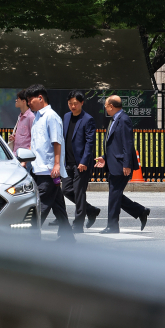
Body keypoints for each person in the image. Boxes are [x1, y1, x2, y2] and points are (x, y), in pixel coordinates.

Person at [25, 84, 74, 241]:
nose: (28, 103)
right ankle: (67, 236)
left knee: (42, 205)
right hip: (39, 168)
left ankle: (30, 238)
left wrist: (57, 165)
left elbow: (56, 142)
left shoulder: (51, 116)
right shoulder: (38, 117)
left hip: (48, 169)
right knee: (57, 204)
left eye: (30, 100)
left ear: (40, 98)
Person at [95, 96, 151, 234]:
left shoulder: (124, 119)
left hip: (121, 164)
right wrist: (104, 158)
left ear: (112, 106)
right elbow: (114, 145)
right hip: (114, 162)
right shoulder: (114, 119)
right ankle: (140, 211)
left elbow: (127, 143)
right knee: (116, 194)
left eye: (106, 105)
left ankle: (113, 226)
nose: (105, 108)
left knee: (114, 194)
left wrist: (126, 164)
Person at [59, 91, 100, 232]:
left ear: (82, 103)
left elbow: (90, 143)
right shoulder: (66, 117)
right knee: (66, 190)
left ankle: (78, 224)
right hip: (68, 162)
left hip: (81, 164)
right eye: (70, 103)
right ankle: (91, 210)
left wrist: (84, 161)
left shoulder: (88, 119)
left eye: (75, 103)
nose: (72, 106)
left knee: (79, 192)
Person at [8, 90, 34, 166]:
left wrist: (25, 161)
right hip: (16, 157)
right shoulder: (20, 116)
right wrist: (14, 138)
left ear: (23, 101)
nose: (16, 100)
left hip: (26, 160)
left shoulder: (31, 117)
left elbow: (33, 140)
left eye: (18, 98)